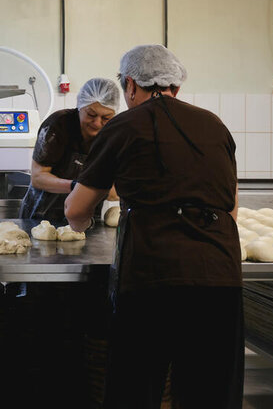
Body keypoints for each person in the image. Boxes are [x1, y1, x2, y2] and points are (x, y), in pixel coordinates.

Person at [64, 44, 243, 409]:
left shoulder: (125, 126)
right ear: (176, 85)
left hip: (151, 278)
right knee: (210, 393)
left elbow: (76, 210)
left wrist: (81, 225)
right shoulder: (214, 124)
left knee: (136, 389)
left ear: (130, 85)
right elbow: (232, 208)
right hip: (219, 279)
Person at [19, 77, 120, 223]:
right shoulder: (58, 125)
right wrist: (76, 187)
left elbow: (113, 189)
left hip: (85, 220)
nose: (97, 123)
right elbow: (38, 177)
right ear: (80, 106)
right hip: (42, 216)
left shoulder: (113, 134)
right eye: (91, 114)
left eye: (106, 118)